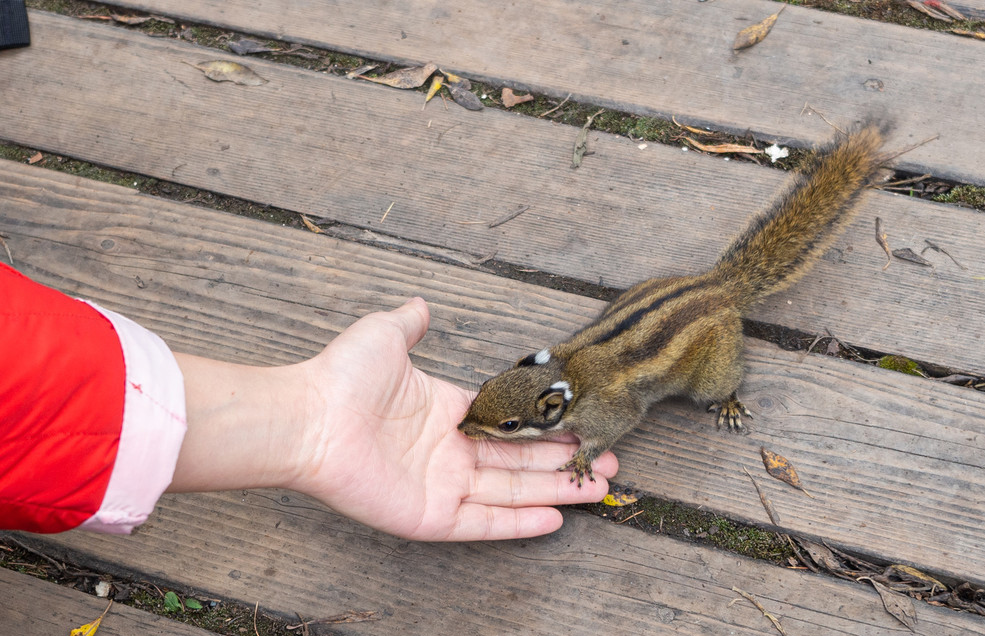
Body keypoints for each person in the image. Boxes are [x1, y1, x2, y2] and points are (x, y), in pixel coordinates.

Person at [0, 264, 616, 540]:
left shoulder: (588, 396)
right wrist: (309, 421)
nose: (472, 426)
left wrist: (313, 419)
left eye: (502, 425)